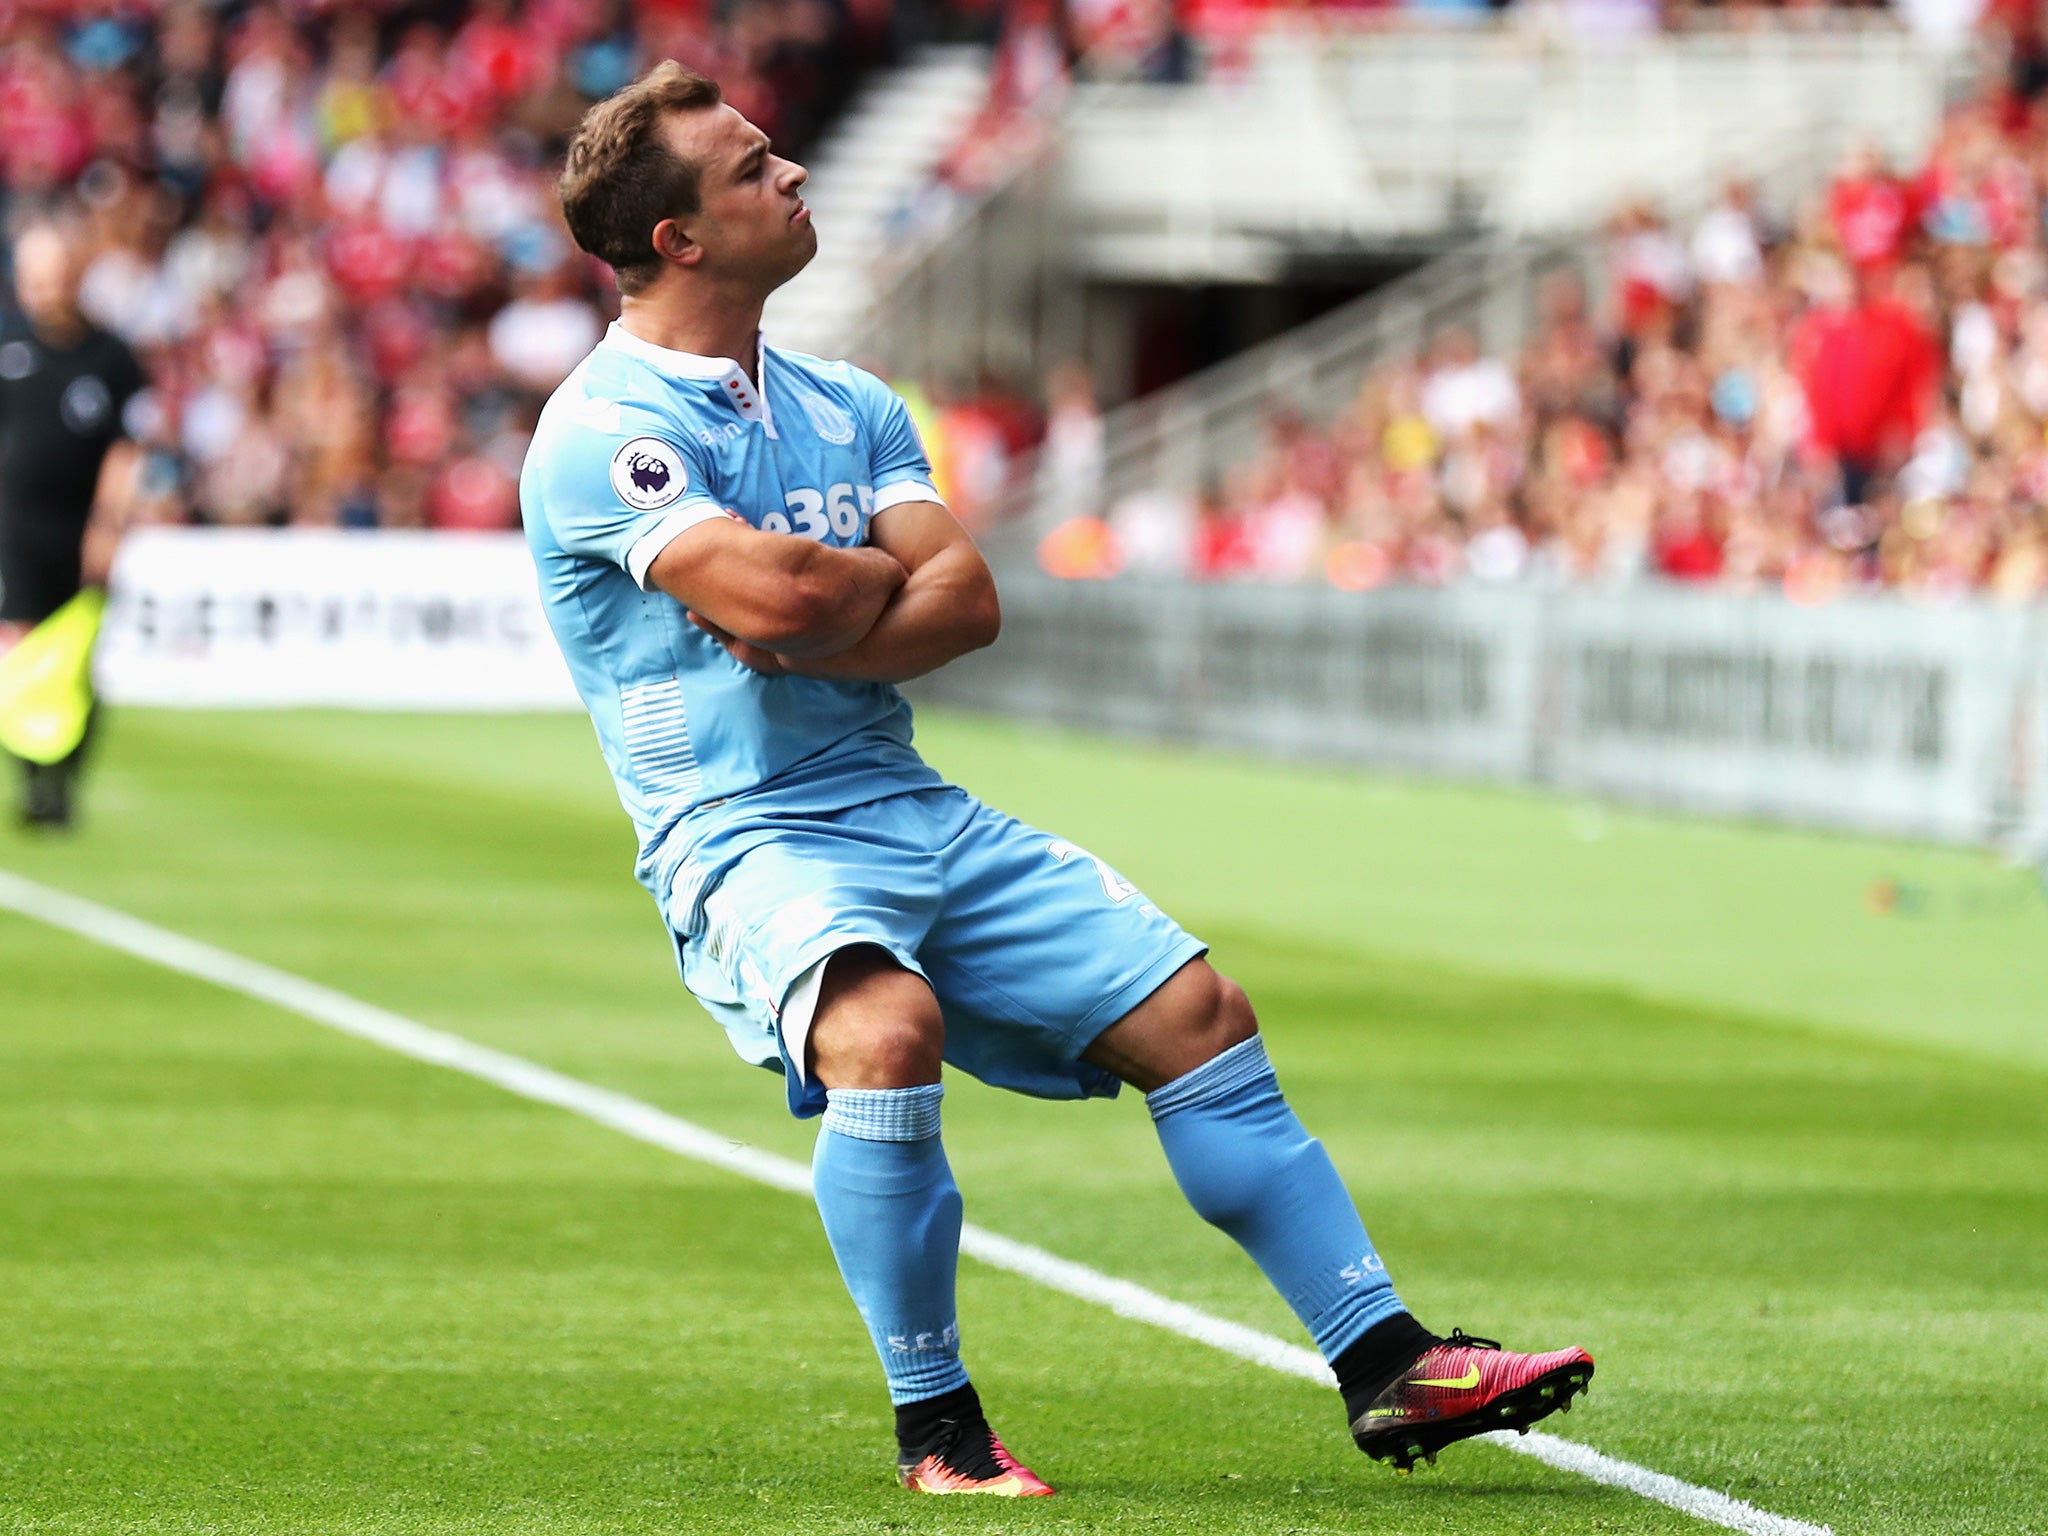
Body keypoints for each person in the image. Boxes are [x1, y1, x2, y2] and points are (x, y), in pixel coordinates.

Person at [520, 62, 1594, 1497]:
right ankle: (940, 1433)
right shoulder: (604, 428)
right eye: (753, 166)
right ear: (682, 241)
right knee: (883, 1030)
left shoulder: (846, 400)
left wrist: (816, 603)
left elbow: (964, 599)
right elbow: (781, 594)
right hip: (742, 833)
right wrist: (839, 590)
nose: (791, 173)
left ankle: (1388, 1364)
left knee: (1200, 1013)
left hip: (905, 803)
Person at [0, 218, 146, 829]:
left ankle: (65, 783)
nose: (43, 289)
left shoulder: (110, 357)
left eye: (54, 276)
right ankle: (34, 782)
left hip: (80, 531)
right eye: (33, 277)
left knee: (78, 661)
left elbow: (126, 449)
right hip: (14, 530)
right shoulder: (7, 347)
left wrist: (109, 527)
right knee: (19, 658)